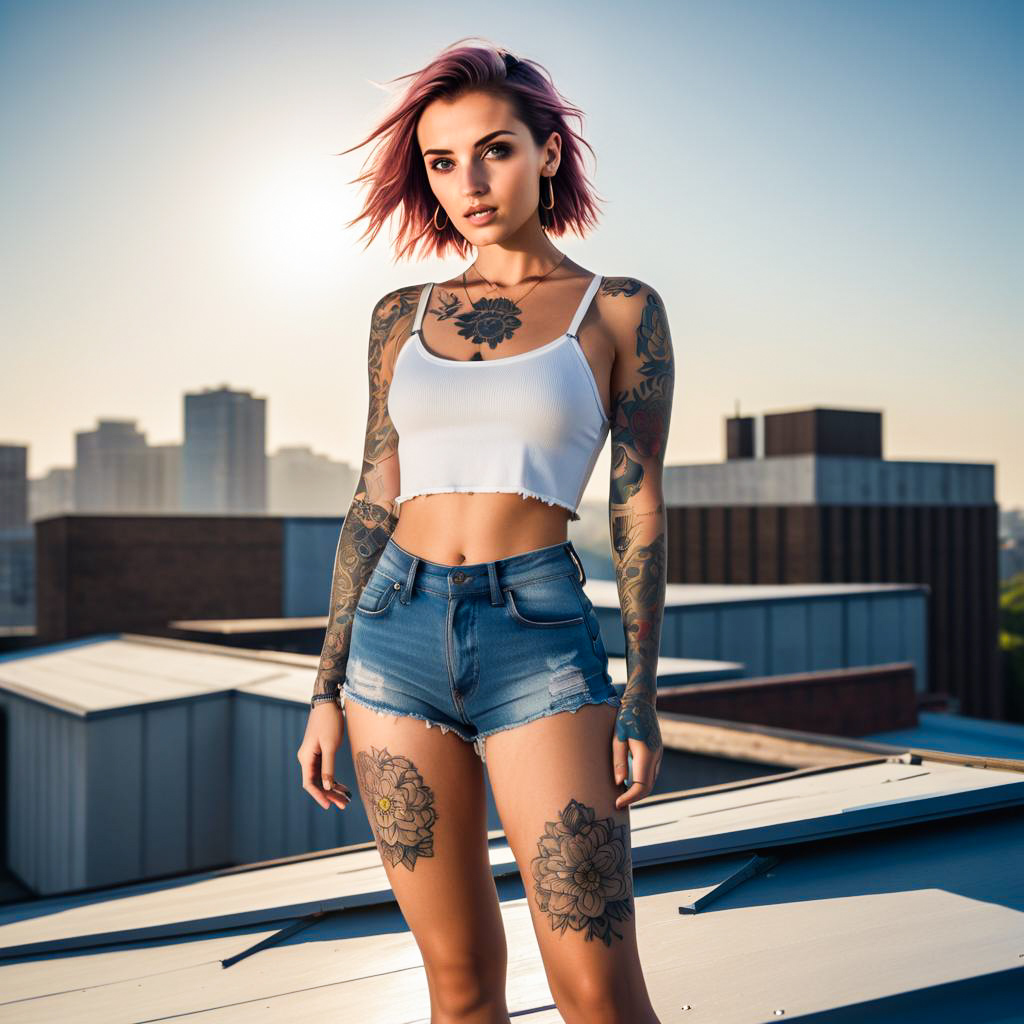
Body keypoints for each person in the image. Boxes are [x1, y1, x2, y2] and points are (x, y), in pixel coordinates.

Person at [297, 38, 673, 1024]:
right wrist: (324, 687)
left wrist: (638, 691)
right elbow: (373, 496)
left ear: (547, 151)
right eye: (440, 159)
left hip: (539, 639)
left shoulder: (620, 311)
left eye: (494, 149)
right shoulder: (397, 317)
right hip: (390, 641)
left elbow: (636, 504)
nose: (467, 180)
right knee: (457, 985)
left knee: (595, 987)